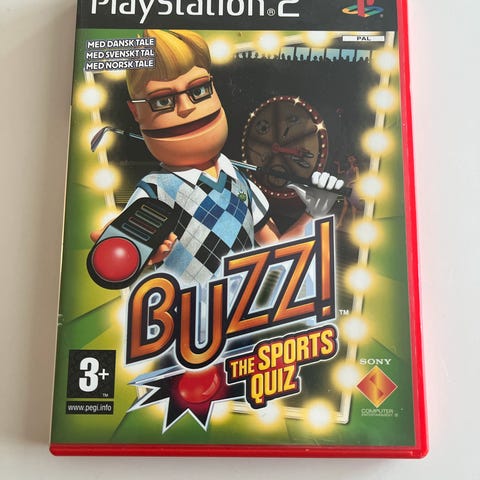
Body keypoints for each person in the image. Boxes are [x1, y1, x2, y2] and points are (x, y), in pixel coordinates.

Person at [92, 29, 343, 285]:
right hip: (181, 309)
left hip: (245, 306)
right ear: (136, 112)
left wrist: (313, 213)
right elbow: (123, 255)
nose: (186, 107)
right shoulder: (155, 189)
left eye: (199, 89)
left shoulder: (241, 182)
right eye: (163, 100)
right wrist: (129, 251)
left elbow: (278, 253)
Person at [336, 154, 361, 229]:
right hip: (347, 187)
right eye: (349, 158)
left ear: (354, 160)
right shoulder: (347, 169)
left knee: (353, 205)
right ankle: (340, 223)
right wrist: (338, 165)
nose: (350, 159)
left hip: (352, 187)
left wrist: (350, 183)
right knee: (345, 205)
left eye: (351, 158)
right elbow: (339, 172)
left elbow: (358, 179)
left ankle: (354, 223)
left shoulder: (356, 168)